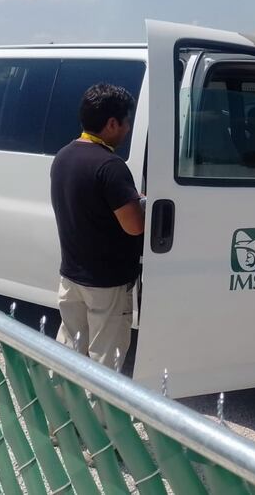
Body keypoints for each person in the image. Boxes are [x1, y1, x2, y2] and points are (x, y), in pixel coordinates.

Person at [50, 83, 144, 370]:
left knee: (69, 354)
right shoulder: (110, 166)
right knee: (104, 362)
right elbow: (134, 226)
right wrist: (143, 205)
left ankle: (64, 399)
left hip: (71, 276)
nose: (128, 128)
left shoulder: (63, 156)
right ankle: (97, 403)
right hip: (106, 283)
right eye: (126, 121)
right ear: (112, 123)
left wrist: (129, 197)